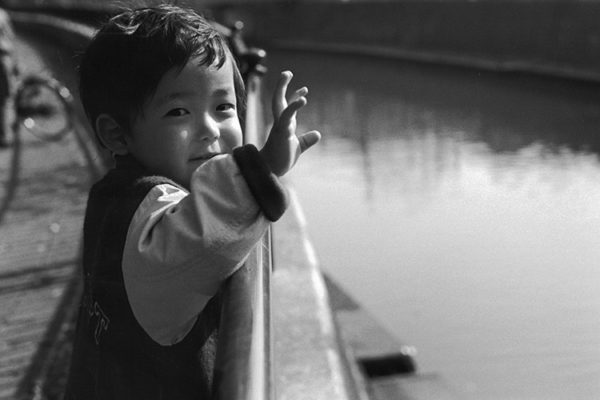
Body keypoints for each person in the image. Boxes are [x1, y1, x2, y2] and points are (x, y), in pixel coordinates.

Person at [64, 4, 320, 399]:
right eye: (179, 112)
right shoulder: (145, 218)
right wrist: (263, 167)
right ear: (116, 135)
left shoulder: (112, 194)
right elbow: (198, 238)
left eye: (224, 107)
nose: (211, 130)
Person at [0, 8, 18, 147]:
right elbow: (11, 38)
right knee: (5, 98)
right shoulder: (2, 14)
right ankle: (5, 135)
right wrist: (15, 63)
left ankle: (4, 134)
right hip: (4, 59)